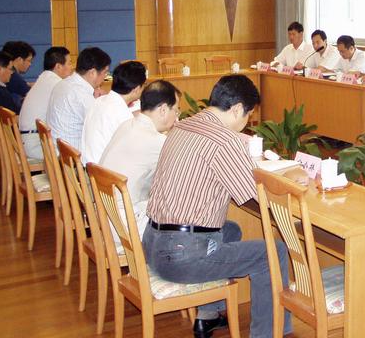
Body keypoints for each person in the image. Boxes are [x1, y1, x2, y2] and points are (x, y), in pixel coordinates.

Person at [143, 74, 291, 338]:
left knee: (230, 229)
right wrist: (290, 180)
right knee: (272, 252)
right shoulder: (225, 140)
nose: (246, 124)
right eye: (248, 116)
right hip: (180, 256)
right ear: (237, 109)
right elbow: (258, 195)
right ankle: (267, 334)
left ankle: (208, 315)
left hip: (152, 243)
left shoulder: (183, 126)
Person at [100, 80, 180, 245]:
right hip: (126, 227)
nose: (177, 116)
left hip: (104, 218)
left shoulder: (126, 125)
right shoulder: (156, 142)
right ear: (163, 110)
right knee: (185, 220)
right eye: (176, 110)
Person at [80, 60, 146, 164]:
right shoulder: (122, 114)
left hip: (89, 165)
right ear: (137, 89)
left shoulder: (100, 101)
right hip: (103, 171)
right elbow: (135, 150)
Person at [46, 47, 111, 150]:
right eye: (105, 72)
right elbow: (103, 125)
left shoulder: (64, 83)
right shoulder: (80, 93)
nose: (105, 77)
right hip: (73, 156)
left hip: (58, 151)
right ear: (92, 72)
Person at [19, 47, 73, 160]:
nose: (72, 67)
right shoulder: (57, 84)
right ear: (58, 66)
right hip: (37, 143)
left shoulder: (45, 78)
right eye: (69, 63)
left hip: (29, 138)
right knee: (74, 152)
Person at [2, 40, 36, 105]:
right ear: (19, 60)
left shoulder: (9, 75)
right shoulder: (13, 77)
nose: (30, 64)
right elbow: (32, 95)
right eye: (29, 60)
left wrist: (28, 84)